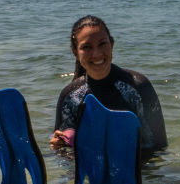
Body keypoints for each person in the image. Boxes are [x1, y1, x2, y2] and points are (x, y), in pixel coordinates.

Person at [50, 15, 168, 159]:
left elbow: (159, 147)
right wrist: (59, 148)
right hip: (92, 176)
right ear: (75, 52)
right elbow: (64, 153)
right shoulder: (70, 96)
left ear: (111, 44)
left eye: (102, 44)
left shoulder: (138, 87)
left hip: (137, 174)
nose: (97, 53)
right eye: (87, 47)